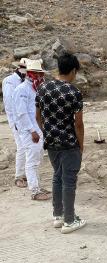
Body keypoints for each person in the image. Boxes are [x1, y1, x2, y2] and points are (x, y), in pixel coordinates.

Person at [36, 53, 86, 234]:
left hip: (51, 143)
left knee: (57, 177)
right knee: (69, 181)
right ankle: (70, 220)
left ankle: (58, 215)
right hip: (69, 143)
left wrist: (47, 133)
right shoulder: (73, 92)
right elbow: (78, 124)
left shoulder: (43, 88)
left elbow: (38, 116)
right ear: (73, 70)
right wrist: (81, 145)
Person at [13, 59, 50, 200]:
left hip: (37, 129)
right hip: (29, 131)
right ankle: (34, 190)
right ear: (31, 73)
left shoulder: (35, 89)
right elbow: (22, 113)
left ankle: (38, 186)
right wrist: (32, 131)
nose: (40, 77)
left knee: (37, 159)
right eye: (37, 74)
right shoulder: (21, 90)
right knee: (32, 160)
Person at [2, 58, 28, 187]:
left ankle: (25, 173)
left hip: (26, 119)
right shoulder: (9, 81)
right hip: (17, 120)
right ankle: (19, 176)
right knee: (22, 146)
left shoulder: (26, 80)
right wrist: (17, 123)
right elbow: (10, 104)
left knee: (28, 146)